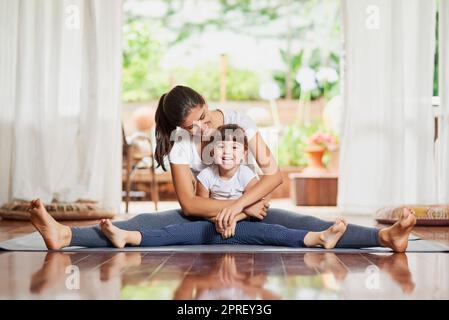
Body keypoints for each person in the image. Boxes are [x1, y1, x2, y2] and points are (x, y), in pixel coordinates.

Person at [26, 85, 416, 252]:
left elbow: (275, 175)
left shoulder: (239, 121)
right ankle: (65, 236)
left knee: (303, 222)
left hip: (247, 206)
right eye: (189, 127)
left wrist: (243, 203)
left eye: (201, 120)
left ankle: (386, 239)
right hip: (222, 212)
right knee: (142, 222)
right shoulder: (182, 144)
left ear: (207, 105)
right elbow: (190, 206)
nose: (199, 131)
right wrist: (243, 209)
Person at [98, 124, 348, 249]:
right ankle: (126, 236)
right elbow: (198, 207)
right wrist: (223, 218)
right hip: (211, 227)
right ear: (211, 151)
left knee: (275, 231)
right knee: (173, 232)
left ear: (243, 153)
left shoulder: (246, 174)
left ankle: (321, 237)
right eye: (220, 147)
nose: (227, 153)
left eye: (234, 148)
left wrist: (235, 217)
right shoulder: (206, 176)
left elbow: (257, 204)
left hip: (244, 226)